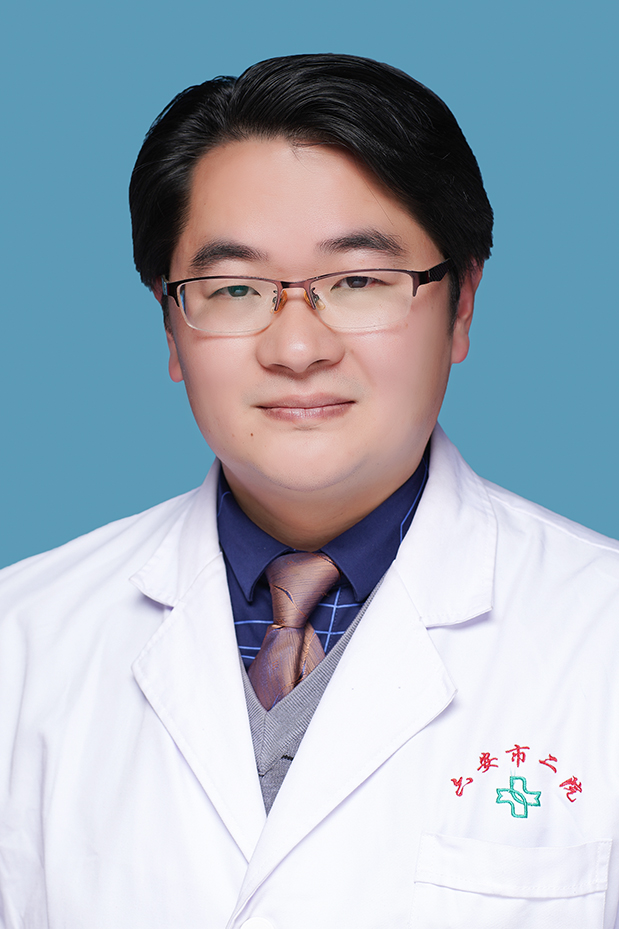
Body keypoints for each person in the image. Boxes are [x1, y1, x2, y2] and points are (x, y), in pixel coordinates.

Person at [1, 53, 618, 929]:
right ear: (171, 325)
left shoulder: (599, 636)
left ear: (461, 305)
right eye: (234, 288)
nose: (296, 349)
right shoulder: (22, 640)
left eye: (357, 281)